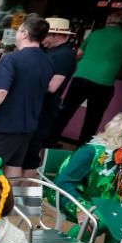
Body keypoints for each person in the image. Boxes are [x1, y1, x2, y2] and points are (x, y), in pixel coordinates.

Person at [0, 17, 53, 177]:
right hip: (28, 124)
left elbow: (0, 92)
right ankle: (10, 201)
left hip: (4, 123)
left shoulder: (12, 58)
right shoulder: (48, 61)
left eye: (18, 31)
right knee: (14, 164)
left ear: (24, 33)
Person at [52, 10, 122, 145]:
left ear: (108, 20)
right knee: (93, 118)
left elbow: (79, 54)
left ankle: (49, 141)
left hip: (81, 76)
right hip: (104, 82)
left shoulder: (95, 33)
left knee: (65, 111)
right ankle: (82, 149)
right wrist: (120, 64)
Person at [53, 112, 122, 219]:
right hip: (76, 200)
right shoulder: (89, 153)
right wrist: (80, 208)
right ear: (121, 142)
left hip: (108, 202)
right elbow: (63, 183)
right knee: (105, 221)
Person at [22, 16, 78, 176]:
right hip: (36, 109)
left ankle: (25, 198)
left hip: (44, 110)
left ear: (57, 36)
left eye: (45, 34)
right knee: (24, 153)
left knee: (31, 154)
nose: (41, 38)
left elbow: (53, 86)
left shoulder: (64, 55)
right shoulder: (49, 52)